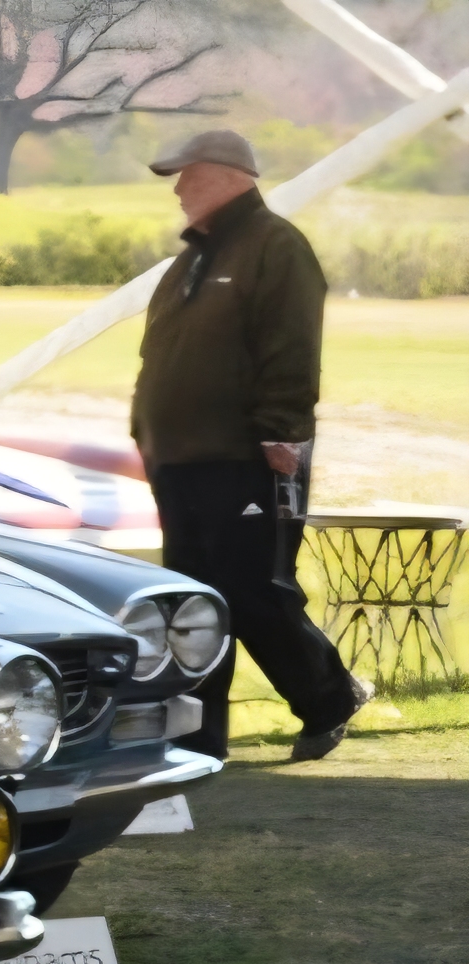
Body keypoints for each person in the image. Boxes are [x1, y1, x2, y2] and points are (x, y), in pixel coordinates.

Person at [132, 127, 372, 759]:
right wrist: (146, 432)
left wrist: (282, 432)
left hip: (247, 456)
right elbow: (161, 354)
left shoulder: (275, 246)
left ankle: (329, 697)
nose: (179, 190)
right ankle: (200, 740)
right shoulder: (194, 258)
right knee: (192, 601)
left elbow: (291, 346)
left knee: (255, 588)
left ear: (228, 176)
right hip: (182, 458)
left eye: (189, 177)